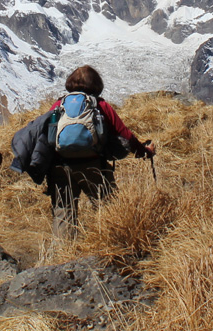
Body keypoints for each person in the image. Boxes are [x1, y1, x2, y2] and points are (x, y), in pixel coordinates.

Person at [46, 65, 154, 239]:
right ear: (96, 84)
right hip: (93, 165)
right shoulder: (100, 105)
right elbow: (125, 135)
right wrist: (144, 152)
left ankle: (62, 257)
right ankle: (110, 245)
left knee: (63, 213)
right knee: (107, 206)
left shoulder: (59, 105)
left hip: (61, 166)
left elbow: (45, 133)